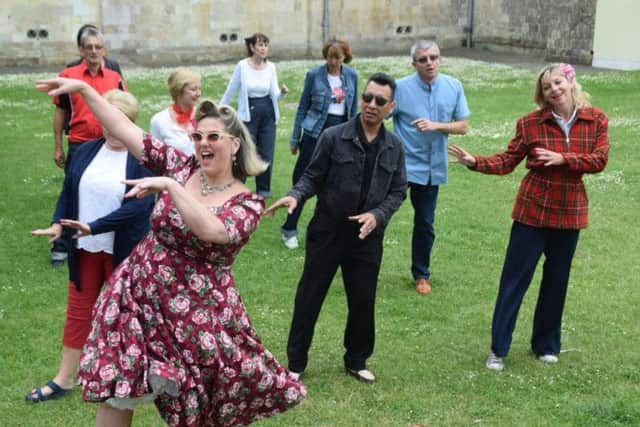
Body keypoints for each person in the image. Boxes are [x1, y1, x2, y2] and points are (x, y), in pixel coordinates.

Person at [36, 77, 306, 426]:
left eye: (213, 137)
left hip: (195, 317)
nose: (202, 144)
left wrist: (170, 186)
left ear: (235, 144)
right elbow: (126, 130)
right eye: (197, 136)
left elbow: (212, 230)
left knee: (197, 408)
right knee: (120, 390)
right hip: (138, 298)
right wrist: (85, 91)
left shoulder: (247, 204)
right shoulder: (182, 166)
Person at [447, 63, 609, 371]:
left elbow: (600, 159)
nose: (554, 90)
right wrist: (474, 161)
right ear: (542, 94)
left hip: (570, 213)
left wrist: (564, 158)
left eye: (558, 83)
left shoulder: (596, 119)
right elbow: (508, 161)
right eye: (547, 87)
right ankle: (498, 349)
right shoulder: (530, 124)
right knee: (514, 280)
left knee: (556, 281)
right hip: (532, 212)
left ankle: (546, 345)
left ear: (571, 83)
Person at [265, 73, 407, 384]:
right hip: (328, 231)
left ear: (391, 106)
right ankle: (296, 363)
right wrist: (295, 195)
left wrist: (377, 216)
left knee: (363, 300)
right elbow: (312, 177)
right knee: (310, 295)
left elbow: (398, 191)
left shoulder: (395, 147)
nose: (371, 105)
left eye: (379, 101)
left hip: (367, 236)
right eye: (367, 97)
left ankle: (357, 359)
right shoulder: (334, 136)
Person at [27, 90, 154, 402]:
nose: (110, 129)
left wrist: (93, 226)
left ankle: (126, 379)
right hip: (86, 250)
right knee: (79, 313)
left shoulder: (143, 158)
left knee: (124, 317)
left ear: (130, 123)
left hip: (123, 251)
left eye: (118, 122)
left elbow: (138, 208)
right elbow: (68, 192)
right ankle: (65, 378)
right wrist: (60, 222)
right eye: (106, 121)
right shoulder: (85, 151)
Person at [392, 40, 470, 295]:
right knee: (378, 215)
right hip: (400, 167)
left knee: (425, 222)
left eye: (433, 57)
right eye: (423, 59)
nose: (429, 63)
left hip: (431, 168)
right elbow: (378, 117)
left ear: (441, 59)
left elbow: (463, 125)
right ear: (414, 63)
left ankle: (421, 275)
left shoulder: (453, 86)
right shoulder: (400, 88)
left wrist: (436, 125)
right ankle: (359, 265)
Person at [50, 26, 127, 268]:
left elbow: (124, 110)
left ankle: (102, 241)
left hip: (110, 145)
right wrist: (58, 147)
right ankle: (61, 246)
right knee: (73, 192)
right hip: (80, 144)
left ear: (105, 49)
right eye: (89, 47)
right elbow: (60, 111)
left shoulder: (115, 77)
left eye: (98, 47)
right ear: (81, 50)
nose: (94, 51)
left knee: (108, 192)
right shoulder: (69, 74)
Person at [280, 37, 359, 250]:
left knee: (335, 183)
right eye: (329, 57)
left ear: (345, 57)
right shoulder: (315, 75)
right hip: (315, 133)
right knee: (303, 180)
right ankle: (289, 229)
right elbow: (302, 107)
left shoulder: (352, 76)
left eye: (337, 57)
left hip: (341, 133)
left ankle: (327, 231)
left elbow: (354, 110)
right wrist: (295, 138)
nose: (333, 62)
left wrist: (356, 136)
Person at [221, 32, 288, 198]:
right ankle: (238, 185)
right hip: (249, 113)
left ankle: (263, 189)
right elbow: (232, 89)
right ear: (252, 47)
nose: (263, 48)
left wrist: (283, 93)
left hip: (268, 111)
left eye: (266, 45)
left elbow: (274, 93)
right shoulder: (242, 66)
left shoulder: (271, 67)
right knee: (245, 150)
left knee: (266, 151)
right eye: (260, 45)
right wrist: (220, 108)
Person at [150, 67, 202, 155]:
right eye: (193, 89)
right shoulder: (159, 120)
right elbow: (155, 156)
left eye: (199, 89)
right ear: (179, 91)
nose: (198, 94)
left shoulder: (203, 116)